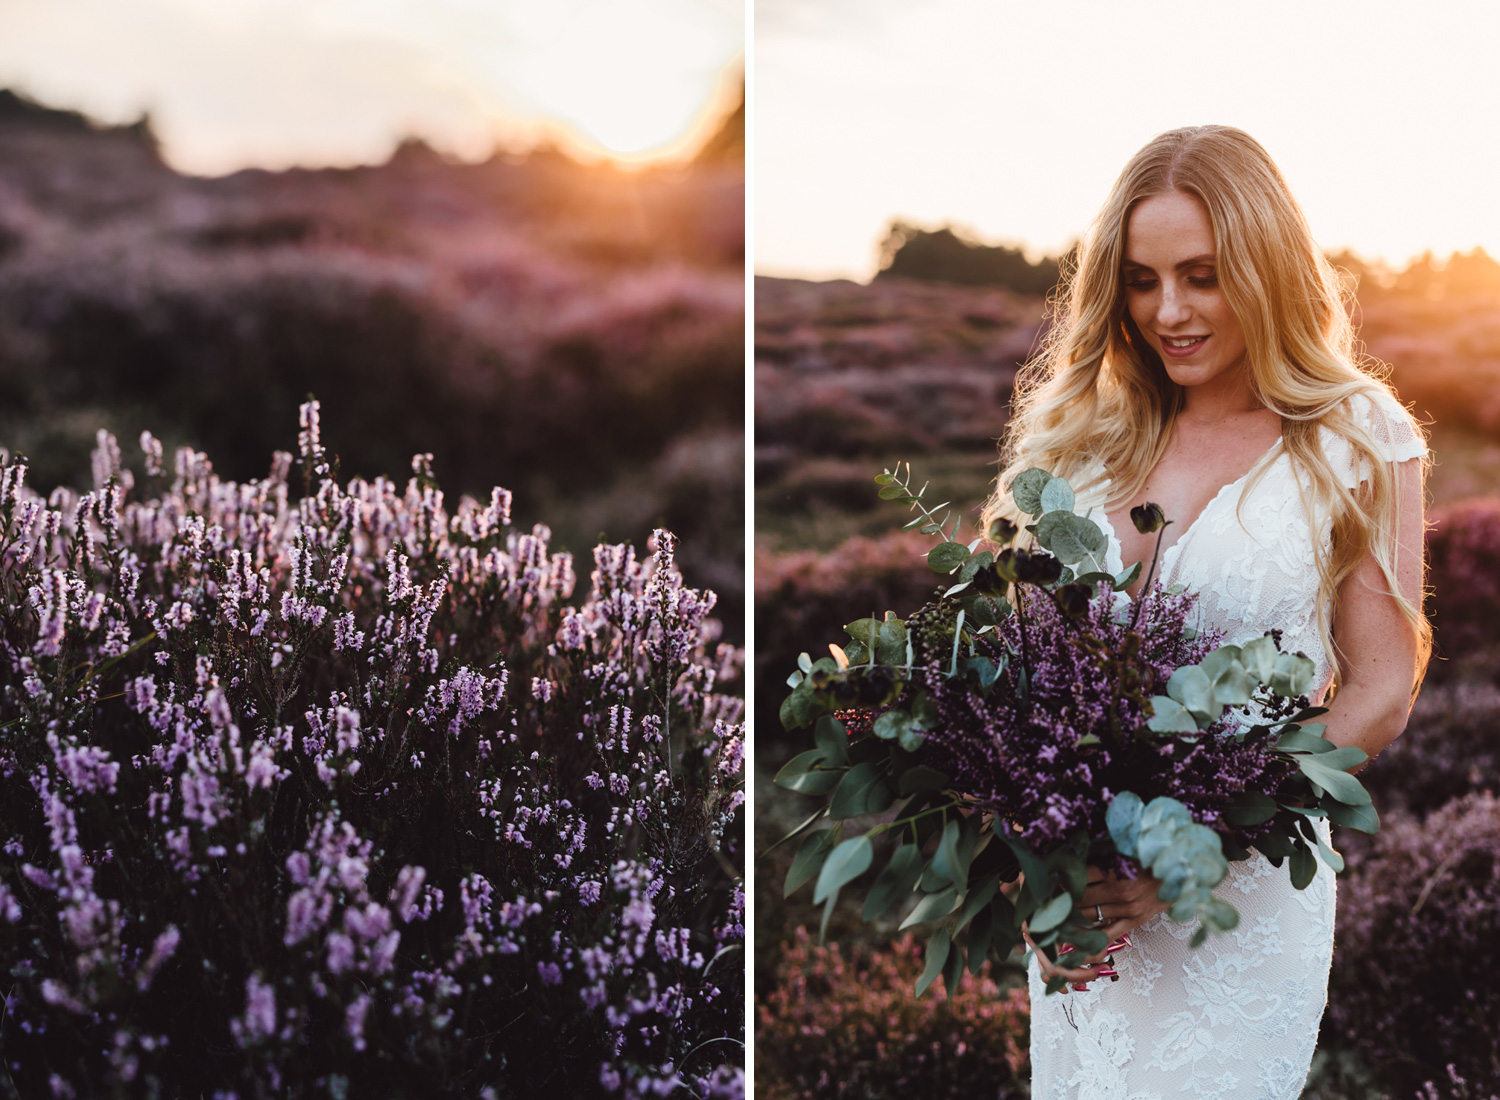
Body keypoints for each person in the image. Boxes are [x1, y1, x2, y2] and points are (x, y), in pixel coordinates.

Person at [979, 125, 1428, 1100]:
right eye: (1141, 280)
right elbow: (1012, 677)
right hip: (1085, 901)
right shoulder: (1079, 441)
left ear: (1265, 268)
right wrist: (1039, 865)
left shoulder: (1355, 437)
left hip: (1243, 898)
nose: (1169, 311)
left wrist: (1201, 837)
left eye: (1202, 275)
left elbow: (1382, 688)